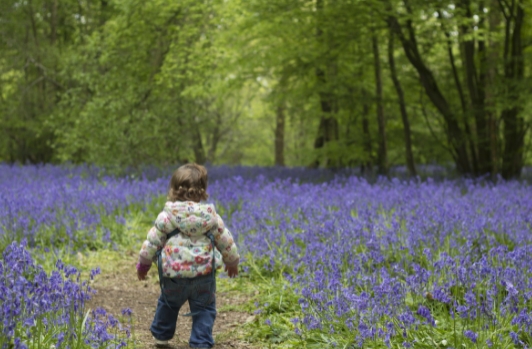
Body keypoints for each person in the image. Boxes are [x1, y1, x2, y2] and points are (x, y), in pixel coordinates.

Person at [136, 163, 240, 349]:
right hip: (203, 276)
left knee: (168, 303)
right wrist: (232, 262)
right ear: (203, 191)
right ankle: (200, 342)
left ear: (173, 190)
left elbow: (152, 243)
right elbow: (226, 241)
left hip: (174, 276)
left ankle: (161, 336)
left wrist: (143, 265)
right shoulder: (211, 217)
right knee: (204, 309)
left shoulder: (166, 217)